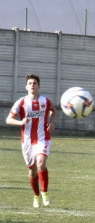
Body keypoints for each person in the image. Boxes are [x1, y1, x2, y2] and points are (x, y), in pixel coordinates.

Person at [6, 74, 56, 208]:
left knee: (41, 164)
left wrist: (51, 122)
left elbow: (53, 111)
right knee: (32, 170)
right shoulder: (21, 102)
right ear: (26, 86)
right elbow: (8, 119)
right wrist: (20, 122)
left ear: (39, 86)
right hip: (27, 141)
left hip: (43, 138)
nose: (32, 85)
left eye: (35, 83)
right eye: (30, 83)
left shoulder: (46, 101)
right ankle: (36, 196)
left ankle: (45, 193)